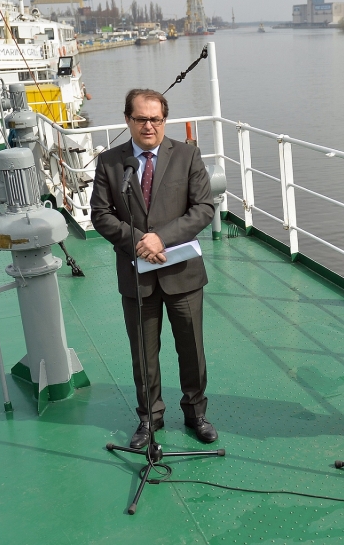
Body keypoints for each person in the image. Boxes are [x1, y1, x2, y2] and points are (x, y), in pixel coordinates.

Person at [90, 88, 218, 448]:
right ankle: (149, 418)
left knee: (191, 348)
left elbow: (203, 209)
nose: (149, 126)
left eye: (156, 119)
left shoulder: (187, 155)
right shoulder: (111, 162)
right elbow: (101, 214)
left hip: (182, 272)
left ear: (164, 120)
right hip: (136, 275)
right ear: (128, 119)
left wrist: (159, 238)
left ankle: (196, 414)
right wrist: (138, 242)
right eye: (141, 118)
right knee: (143, 352)